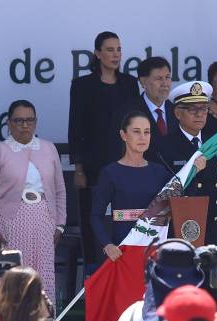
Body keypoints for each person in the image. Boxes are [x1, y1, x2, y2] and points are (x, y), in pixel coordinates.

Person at [0, 99, 66, 302]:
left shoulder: (48, 148)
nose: (24, 125)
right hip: (10, 226)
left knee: (41, 276)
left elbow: (60, 190)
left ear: (36, 123)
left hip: (43, 222)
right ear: (9, 124)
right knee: (9, 278)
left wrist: (60, 226)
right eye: (18, 121)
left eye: (29, 120)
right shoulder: (1, 150)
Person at [68, 31, 140, 271]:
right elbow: (75, 126)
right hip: (93, 164)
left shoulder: (129, 84)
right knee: (96, 217)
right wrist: (78, 168)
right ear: (97, 54)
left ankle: (126, 265)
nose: (115, 54)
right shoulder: (82, 85)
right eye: (109, 49)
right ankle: (94, 269)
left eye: (118, 49)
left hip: (124, 162)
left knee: (124, 215)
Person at [158, 81, 217, 247]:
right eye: (192, 109)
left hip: (215, 233)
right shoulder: (164, 146)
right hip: (182, 232)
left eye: (203, 108)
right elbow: (163, 195)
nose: (199, 114)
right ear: (178, 113)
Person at [91, 110, 171, 263]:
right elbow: (96, 216)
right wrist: (107, 244)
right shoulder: (110, 172)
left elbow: (180, 196)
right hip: (123, 250)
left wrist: (194, 168)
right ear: (123, 135)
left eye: (147, 132)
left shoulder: (160, 171)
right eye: (136, 132)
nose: (142, 137)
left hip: (153, 251)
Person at [108, 57, 177, 164]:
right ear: (143, 82)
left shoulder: (177, 111)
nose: (165, 83)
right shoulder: (125, 113)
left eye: (167, 77)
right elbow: (117, 152)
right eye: (159, 78)